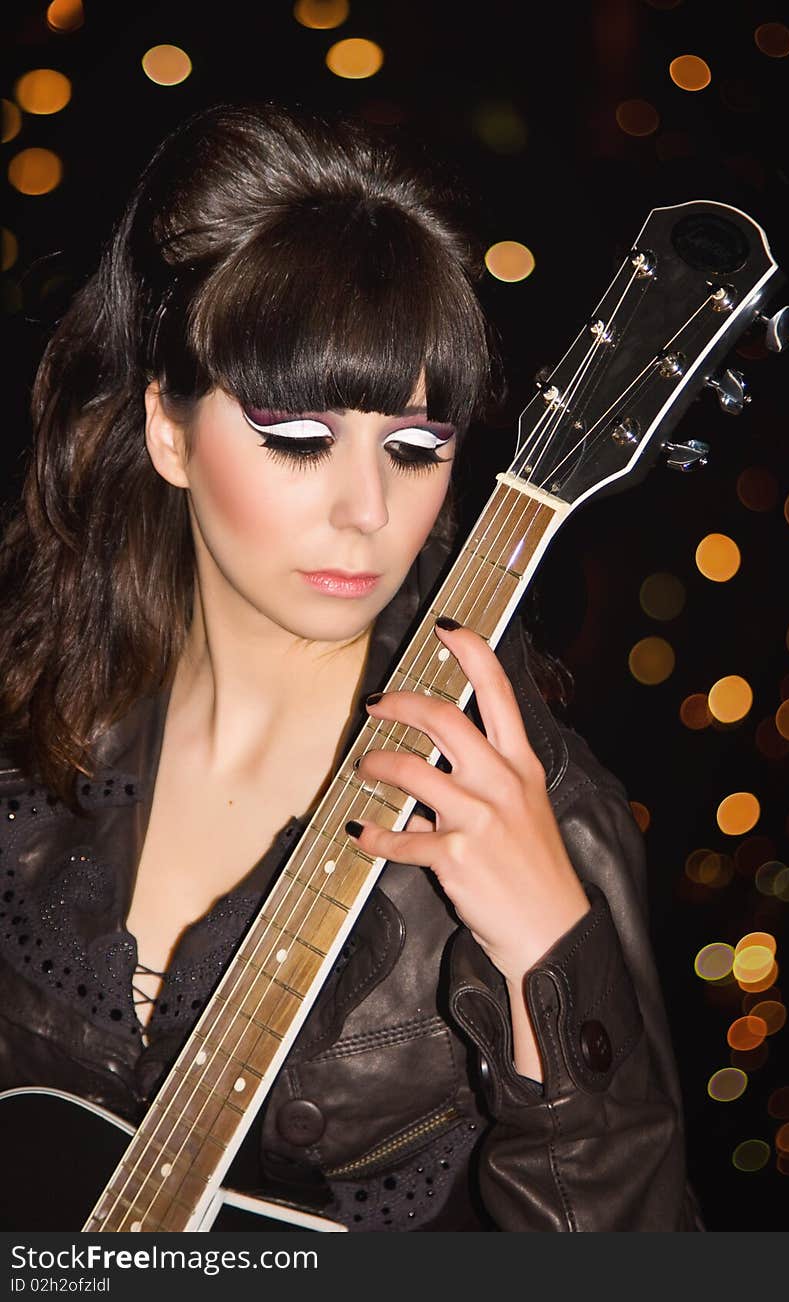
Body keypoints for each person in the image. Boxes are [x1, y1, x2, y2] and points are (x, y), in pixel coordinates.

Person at [0, 101, 702, 1232]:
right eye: (297, 437)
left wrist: (544, 958)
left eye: (416, 448)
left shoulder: (542, 819)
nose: (368, 512)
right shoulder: (33, 721)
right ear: (169, 433)